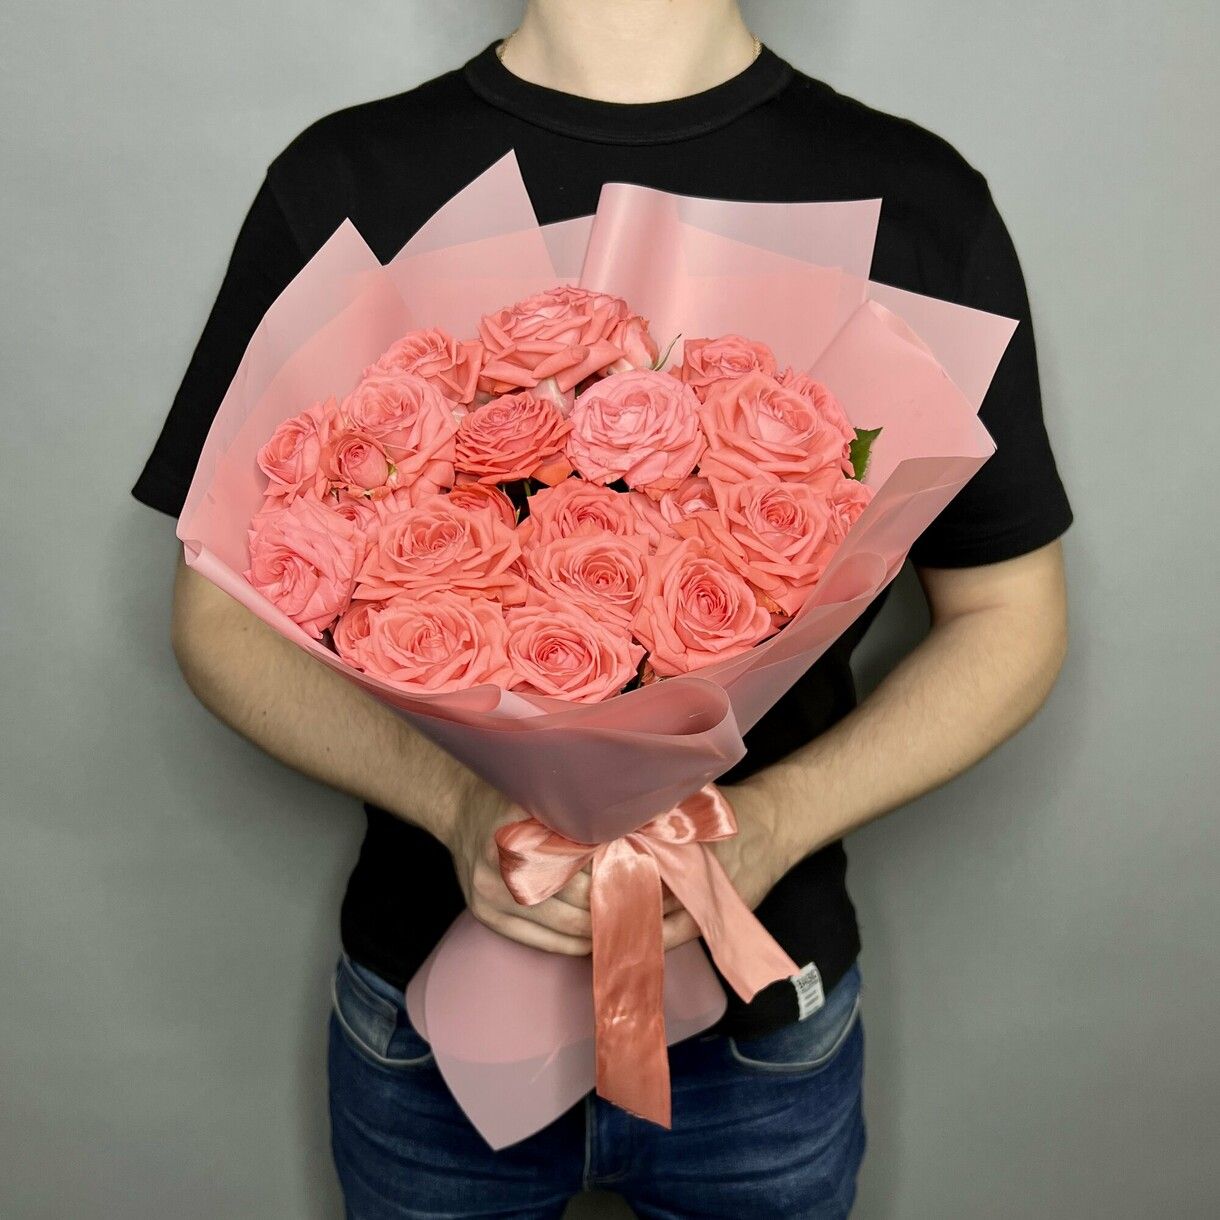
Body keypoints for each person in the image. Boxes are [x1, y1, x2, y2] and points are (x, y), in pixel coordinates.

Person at [131, 2, 1073, 1216]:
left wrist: (766, 824)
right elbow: (218, 614)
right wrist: (461, 808)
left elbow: (1007, 614)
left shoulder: (912, 196)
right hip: (426, 1015)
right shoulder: (351, 179)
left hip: (758, 1018)